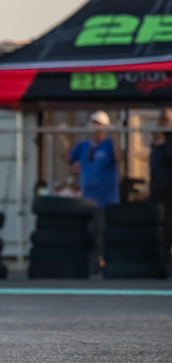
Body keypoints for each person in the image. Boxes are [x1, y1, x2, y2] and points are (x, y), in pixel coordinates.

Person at [69, 111, 122, 271]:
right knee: (90, 233)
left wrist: (115, 137)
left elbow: (119, 157)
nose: (95, 127)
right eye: (94, 124)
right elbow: (68, 157)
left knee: (104, 232)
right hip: (88, 199)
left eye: (99, 124)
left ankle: (106, 262)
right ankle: (93, 263)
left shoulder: (109, 144)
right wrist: (62, 137)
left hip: (106, 198)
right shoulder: (84, 145)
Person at [150, 107, 172, 264]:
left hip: (169, 191)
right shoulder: (156, 146)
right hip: (158, 191)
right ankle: (163, 260)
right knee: (162, 228)